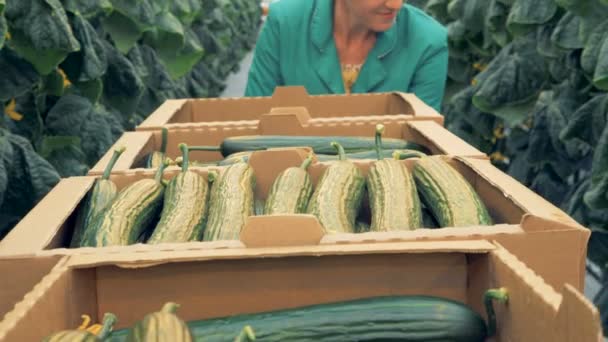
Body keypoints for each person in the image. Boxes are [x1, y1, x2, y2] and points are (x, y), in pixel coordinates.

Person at [244, 0, 449, 112]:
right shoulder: (285, 22)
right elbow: (253, 119)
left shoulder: (428, 41)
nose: (395, 4)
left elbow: (419, 141)